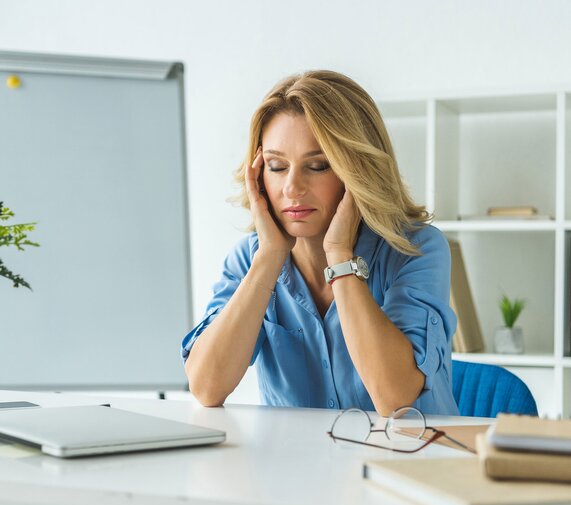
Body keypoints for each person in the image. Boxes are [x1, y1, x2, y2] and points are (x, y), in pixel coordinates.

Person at [181, 70, 459, 416]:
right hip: (299, 468)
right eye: (277, 166)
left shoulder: (416, 250)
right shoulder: (250, 259)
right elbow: (207, 387)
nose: (292, 188)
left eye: (318, 166)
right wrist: (268, 261)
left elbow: (395, 398)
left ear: (358, 170)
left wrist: (339, 257)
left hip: (409, 462)